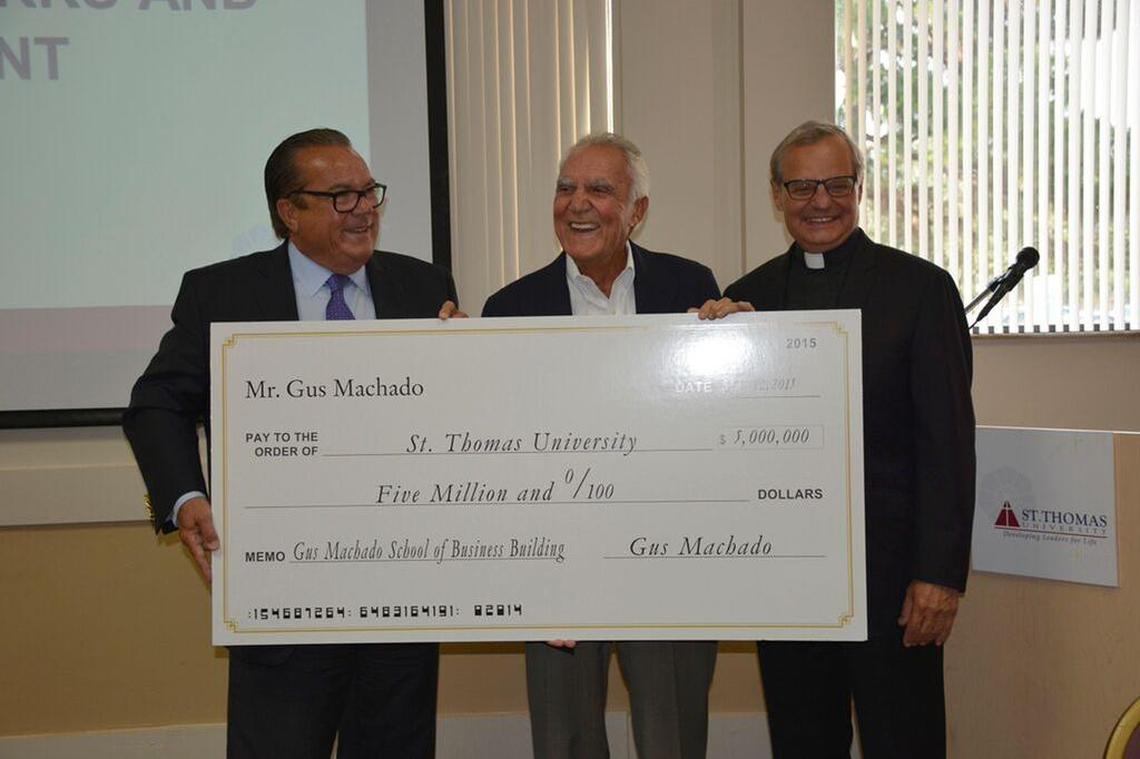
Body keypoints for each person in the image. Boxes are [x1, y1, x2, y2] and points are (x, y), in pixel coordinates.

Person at [123, 128, 462, 759]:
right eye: (341, 196)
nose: (364, 208)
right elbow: (157, 404)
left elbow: (454, 417)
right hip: (281, 595)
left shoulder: (424, 287)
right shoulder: (221, 293)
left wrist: (468, 362)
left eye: (368, 192)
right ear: (289, 211)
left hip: (402, 597)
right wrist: (186, 496)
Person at [711, 121, 975, 758]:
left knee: (903, 742)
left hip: (895, 586)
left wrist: (938, 576)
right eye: (801, 186)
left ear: (860, 188)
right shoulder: (748, 298)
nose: (820, 201)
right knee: (803, 744)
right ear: (776, 195)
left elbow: (948, 445)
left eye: (836, 183)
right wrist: (709, 345)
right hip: (789, 583)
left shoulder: (920, 288)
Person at [483, 132, 720, 759]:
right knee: (564, 738)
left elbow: (717, 422)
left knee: (672, 734)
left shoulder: (693, 290)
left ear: (638, 210)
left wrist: (746, 346)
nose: (576, 203)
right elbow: (495, 446)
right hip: (557, 563)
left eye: (599, 189)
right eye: (565, 188)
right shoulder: (508, 309)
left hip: (671, 558)